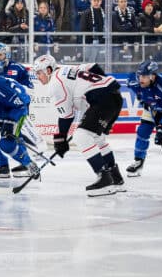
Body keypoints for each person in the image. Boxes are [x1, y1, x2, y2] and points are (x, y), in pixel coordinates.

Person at [32, 54, 126, 196]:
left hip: (102, 99)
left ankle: (105, 179)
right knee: (97, 138)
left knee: (81, 136)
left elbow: (66, 116)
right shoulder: (67, 69)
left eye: (39, 73)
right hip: (115, 95)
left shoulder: (55, 85)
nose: (37, 77)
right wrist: (103, 82)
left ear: (49, 70)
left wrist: (61, 140)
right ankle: (116, 178)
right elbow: (94, 66)